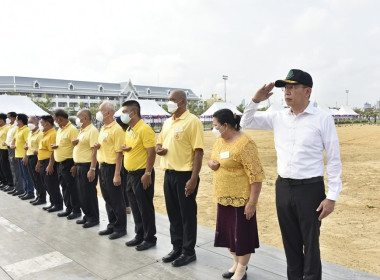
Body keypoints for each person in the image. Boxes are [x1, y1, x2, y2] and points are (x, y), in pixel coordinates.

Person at [241, 69, 343, 280]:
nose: (287, 92)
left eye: (293, 87)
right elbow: (246, 122)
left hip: (310, 189)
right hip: (284, 187)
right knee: (290, 242)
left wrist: (332, 196)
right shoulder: (278, 117)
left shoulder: (322, 119)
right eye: (285, 88)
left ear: (307, 91)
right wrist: (255, 100)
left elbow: (333, 158)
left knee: (311, 243)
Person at [208, 109, 265, 280]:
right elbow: (212, 158)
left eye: (216, 125)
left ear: (225, 126)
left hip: (241, 199)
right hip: (223, 197)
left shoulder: (245, 144)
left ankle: (241, 269)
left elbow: (256, 176)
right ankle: (236, 263)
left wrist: (252, 203)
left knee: (242, 236)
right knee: (227, 234)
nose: (214, 128)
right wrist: (212, 163)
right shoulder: (220, 141)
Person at [156, 90, 204, 267]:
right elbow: (159, 142)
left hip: (185, 175)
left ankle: (188, 251)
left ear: (182, 102)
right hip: (169, 174)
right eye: (168, 100)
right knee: (173, 214)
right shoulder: (168, 121)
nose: (169, 103)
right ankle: (176, 247)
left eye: (172, 100)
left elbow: (198, 152)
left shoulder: (193, 122)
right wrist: (158, 149)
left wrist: (193, 179)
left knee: (187, 215)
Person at [121, 100, 157, 251]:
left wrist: (147, 173)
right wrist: (127, 149)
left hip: (142, 173)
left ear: (133, 113)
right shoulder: (130, 130)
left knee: (145, 207)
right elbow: (136, 148)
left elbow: (151, 152)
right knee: (135, 207)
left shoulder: (144, 129)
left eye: (124, 112)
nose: (122, 115)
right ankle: (139, 234)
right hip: (130, 174)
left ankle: (149, 238)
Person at [94, 101, 126, 240]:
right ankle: (112, 224)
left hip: (113, 167)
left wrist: (117, 174)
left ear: (108, 113)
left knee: (116, 199)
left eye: (100, 110)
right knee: (107, 198)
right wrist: (98, 145)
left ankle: (120, 228)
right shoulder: (103, 128)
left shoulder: (116, 129)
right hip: (103, 166)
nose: (98, 112)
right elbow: (107, 145)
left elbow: (119, 153)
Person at [72, 109, 100, 228]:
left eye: (79, 117)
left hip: (87, 166)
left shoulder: (92, 131)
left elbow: (94, 151)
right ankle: (87, 215)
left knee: (88, 193)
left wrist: (92, 169)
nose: (77, 119)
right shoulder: (82, 130)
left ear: (85, 118)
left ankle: (93, 218)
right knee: (81, 193)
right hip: (79, 166)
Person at [52, 110, 81, 220]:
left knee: (71, 187)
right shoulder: (60, 129)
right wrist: (56, 146)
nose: (56, 122)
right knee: (64, 187)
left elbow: (76, 147)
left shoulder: (72, 129)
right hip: (60, 163)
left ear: (61, 119)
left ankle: (76, 210)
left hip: (68, 162)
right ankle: (68, 208)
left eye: (56, 120)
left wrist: (75, 165)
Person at [36, 115, 63, 212]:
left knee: (52, 184)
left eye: (41, 123)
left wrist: (50, 164)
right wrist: (39, 162)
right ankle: (52, 203)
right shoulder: (45, 133)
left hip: (49, 162)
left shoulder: (52, 134)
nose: (40, 125)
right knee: (46, 184)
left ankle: (58, 204)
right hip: (43, 162)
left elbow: (53, 151)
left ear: (47, 124)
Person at [10, 113, 35, 199]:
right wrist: (12, 145)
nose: (15, 121)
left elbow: (27, 144)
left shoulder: (26, 130)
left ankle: (30, 192)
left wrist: (25, 156)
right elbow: (15, 139)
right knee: (23, 175)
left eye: (17, 119)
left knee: (27, 175)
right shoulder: (18, 129)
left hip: (24, 155)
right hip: (18, 155)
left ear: (20, 121)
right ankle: (26, 191)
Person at [24, 116, 45, 205]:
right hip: (29, 156)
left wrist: (38, 162)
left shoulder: (40, 134)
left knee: (38, 179)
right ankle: (38, 196)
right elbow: (27, 144)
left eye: (31, 122)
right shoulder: (30, 133)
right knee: (33, 178)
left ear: (37, 123)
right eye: (28, 122)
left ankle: (42, 198)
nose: (29, 124)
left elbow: (41, 148)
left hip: (36, 158)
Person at [115, 116, 132, 215]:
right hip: (125, 159)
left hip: (124, 159)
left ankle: (126, 205)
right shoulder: (127, 131)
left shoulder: (122, 132)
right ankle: (127, 205)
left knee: (124, 183)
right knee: (125, 183)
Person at [3, 112, 21, 194]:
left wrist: (9, 144)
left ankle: (19, 188)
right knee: (13, 169)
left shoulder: (16, 127)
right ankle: (15, 186)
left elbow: (15, 139)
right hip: (8, 148)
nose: (7, 119)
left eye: (8, 117)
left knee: (16, 170)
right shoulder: (10, 126)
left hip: (13, 149)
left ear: (13, 118)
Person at [0, 113, 13, 191]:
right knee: (1, 167)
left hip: (5, 149)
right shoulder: (1, 128)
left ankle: (9, 183)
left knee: (6, 167)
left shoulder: (7, 128)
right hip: (0, 149)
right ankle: (3, 181)